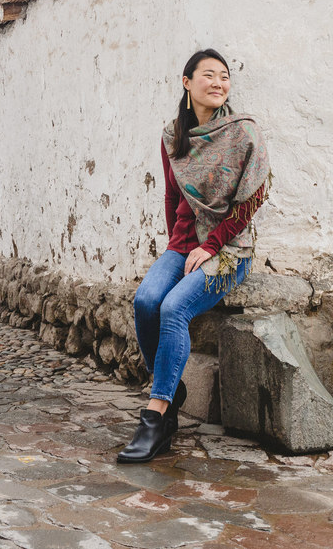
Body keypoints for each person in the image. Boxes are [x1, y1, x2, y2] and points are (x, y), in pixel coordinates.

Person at [118, 48, 270, 464]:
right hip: (183, 244)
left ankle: (157, 414)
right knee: (146, 300)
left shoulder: (244, 133)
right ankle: (172, 387)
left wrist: (211, 244)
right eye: (209, 75)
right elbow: (172, 195)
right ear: (187, 83)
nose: (218, 83)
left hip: (228, 248)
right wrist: (179, 243)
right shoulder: (173, 135)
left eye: (224, 77)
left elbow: (251, 198)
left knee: (173, 308)